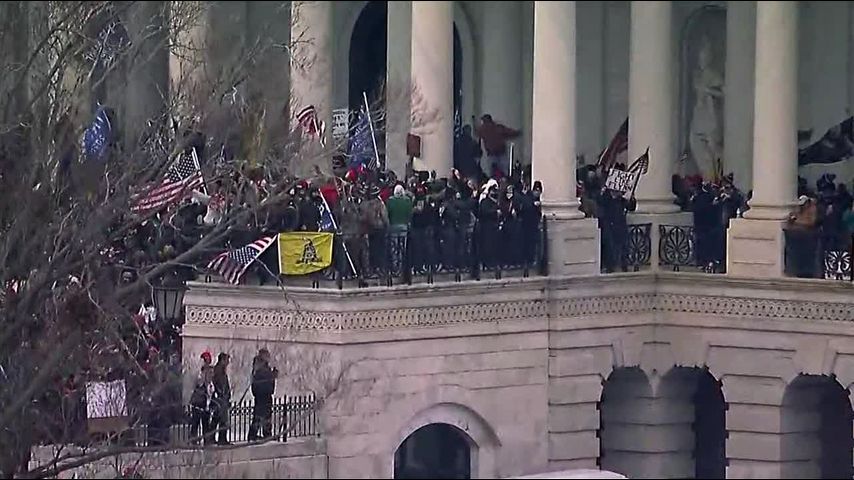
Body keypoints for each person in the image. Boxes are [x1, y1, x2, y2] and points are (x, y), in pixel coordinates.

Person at [599, 188, 637, 273]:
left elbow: (631, 207)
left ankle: (624, 264)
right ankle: (610, 266)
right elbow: (601, 204)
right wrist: (612, 196)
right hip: (608, 224)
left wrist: (630, 198)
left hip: (620, 223)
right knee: (610, 246)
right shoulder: (605, 195)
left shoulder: (621, 198)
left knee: (624, 245)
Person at [248, 348, 279, 441]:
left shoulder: (265, 367)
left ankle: (267, 433)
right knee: (259, 415)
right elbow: (262, 377)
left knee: (267, 415)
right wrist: (272, 375)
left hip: (266, 393)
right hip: (261, 394)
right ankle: (253, 434)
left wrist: (272, 375)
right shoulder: (259, 366)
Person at [189, 351, 214, 445]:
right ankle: (193, 439)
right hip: (199, 402)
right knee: (195, 422)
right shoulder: (199, 373)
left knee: (206, 423)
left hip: (206, 402)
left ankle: (207, 439)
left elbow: (211, 387)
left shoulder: (210, 378)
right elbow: (198, 383)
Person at [210, 352, 231, 445]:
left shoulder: (221, 371)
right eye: (227, 360)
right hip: (220, 399)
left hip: (222, 398)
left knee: (217, 419)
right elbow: (220, 385)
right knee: (222, 419)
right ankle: (221, 438)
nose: (228, 362)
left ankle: (213, 437)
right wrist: (222, 395)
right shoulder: (219, 371)